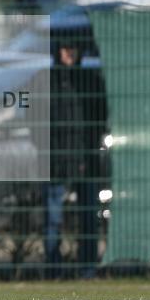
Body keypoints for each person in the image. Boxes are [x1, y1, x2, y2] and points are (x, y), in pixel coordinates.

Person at [44, 35, 87, 278]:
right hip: (56, 161)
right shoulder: (49, 81)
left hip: (77, 160)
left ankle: (86, 268)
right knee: (53, 218)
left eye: (73, 48)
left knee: (85, 218)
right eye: (64, 48)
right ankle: (53, 268)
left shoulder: (82, 81)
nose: (69, 53)